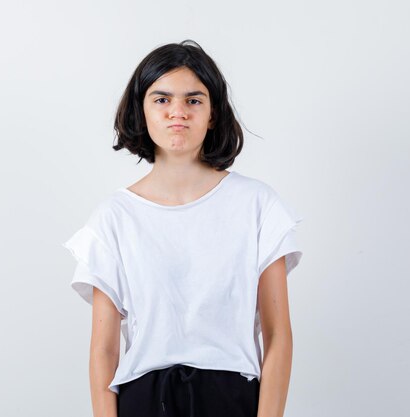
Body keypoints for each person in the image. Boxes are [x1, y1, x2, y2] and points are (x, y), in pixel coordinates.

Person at [62, 39, 303, 417]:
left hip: (232, 397)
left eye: (193, 100)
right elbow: (103, 350)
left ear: (213, 114)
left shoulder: (257, 205)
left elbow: (278, 338)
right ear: (140, 112)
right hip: (143, 400)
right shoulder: (114, 217)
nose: (178, 112)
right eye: (161, 99)